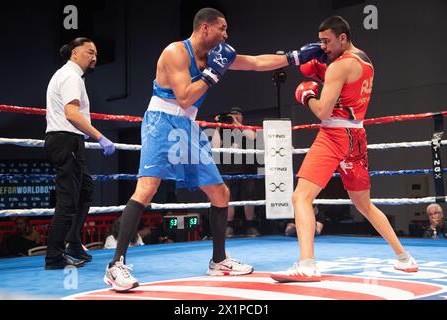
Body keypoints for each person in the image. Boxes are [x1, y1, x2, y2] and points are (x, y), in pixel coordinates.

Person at [103, 7, 326, 292]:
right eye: (222, 28)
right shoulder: (175, 53)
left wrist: (294, 57)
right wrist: (212, 74)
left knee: (220, 193)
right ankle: (115, 265)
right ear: (205, 28)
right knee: (146, 189)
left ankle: (219, 260)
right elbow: (184, 97)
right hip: (161, 121)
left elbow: (256, 63)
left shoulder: (214, 57)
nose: (226, 34)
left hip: (188, 126)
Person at [271, 16, 419, 283]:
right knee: (363, 203)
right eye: (320, 41)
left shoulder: (339, 67)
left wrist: (307, 95)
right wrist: (323, 73)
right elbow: (346, 92)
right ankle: (405, 259)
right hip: (357, 135)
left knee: (301, 197)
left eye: (327, 41)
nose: (323, 47)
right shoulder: (364, 60)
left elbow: (323, 111)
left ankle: (307, 265)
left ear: (342, 37)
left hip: (334, 133)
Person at [44, 37, 116, 270]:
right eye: (89, 52)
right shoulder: (71, 76)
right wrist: (100, 136)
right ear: (74, 53)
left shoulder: (71, 76)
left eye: (96, 53)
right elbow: (72, 114)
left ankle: (73, 242)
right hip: (65, 140)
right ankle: (54, 256)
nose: (94, 57)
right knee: (67, 202)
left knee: (86, 189)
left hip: (69, 140)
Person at [211, 106, 260, 237]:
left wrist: (237, 124)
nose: (234, 117)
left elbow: (253, 137)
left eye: (237, 115)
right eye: (232, 115)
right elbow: (214, 146)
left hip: (247, 168)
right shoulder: (223, 129)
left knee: (249, 197)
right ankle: (230, 226)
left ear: (241, 116)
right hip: (228, 169)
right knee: (228, 198)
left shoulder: (245, 128)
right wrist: (217, 125)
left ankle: (250, 226)